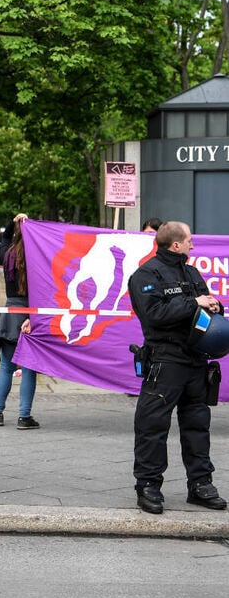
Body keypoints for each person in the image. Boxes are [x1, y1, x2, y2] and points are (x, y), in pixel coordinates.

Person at [127, 220, 227, 514]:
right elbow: (154, 314)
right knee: (152, 427)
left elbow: (203, 304)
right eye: (189, 241)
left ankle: (200, 485)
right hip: (165, 361)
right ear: (175, 244)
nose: (192, 245)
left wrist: (214, 305)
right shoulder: (145, 275)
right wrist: (194, 302)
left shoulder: (192, 272)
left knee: (198, 426)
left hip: (196, 360)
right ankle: (148, 487)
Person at [0, 214, 40, 429]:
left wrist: (14, 222)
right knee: (29, 368)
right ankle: (24, 417)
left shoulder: (8, 255)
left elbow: (5, 237)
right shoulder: (38, 260)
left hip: (10, 312)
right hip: (32, 314)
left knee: (6, 366)